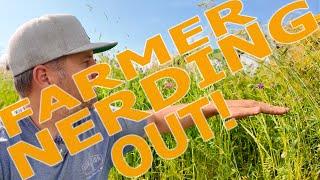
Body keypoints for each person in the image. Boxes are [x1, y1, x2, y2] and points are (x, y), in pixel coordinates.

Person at [0, 14, 289, 180]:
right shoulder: (5, 152)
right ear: (44, 76)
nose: (100, 70)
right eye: (86, 62)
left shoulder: (99, 126)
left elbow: (155, 120)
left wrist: (212, 106)